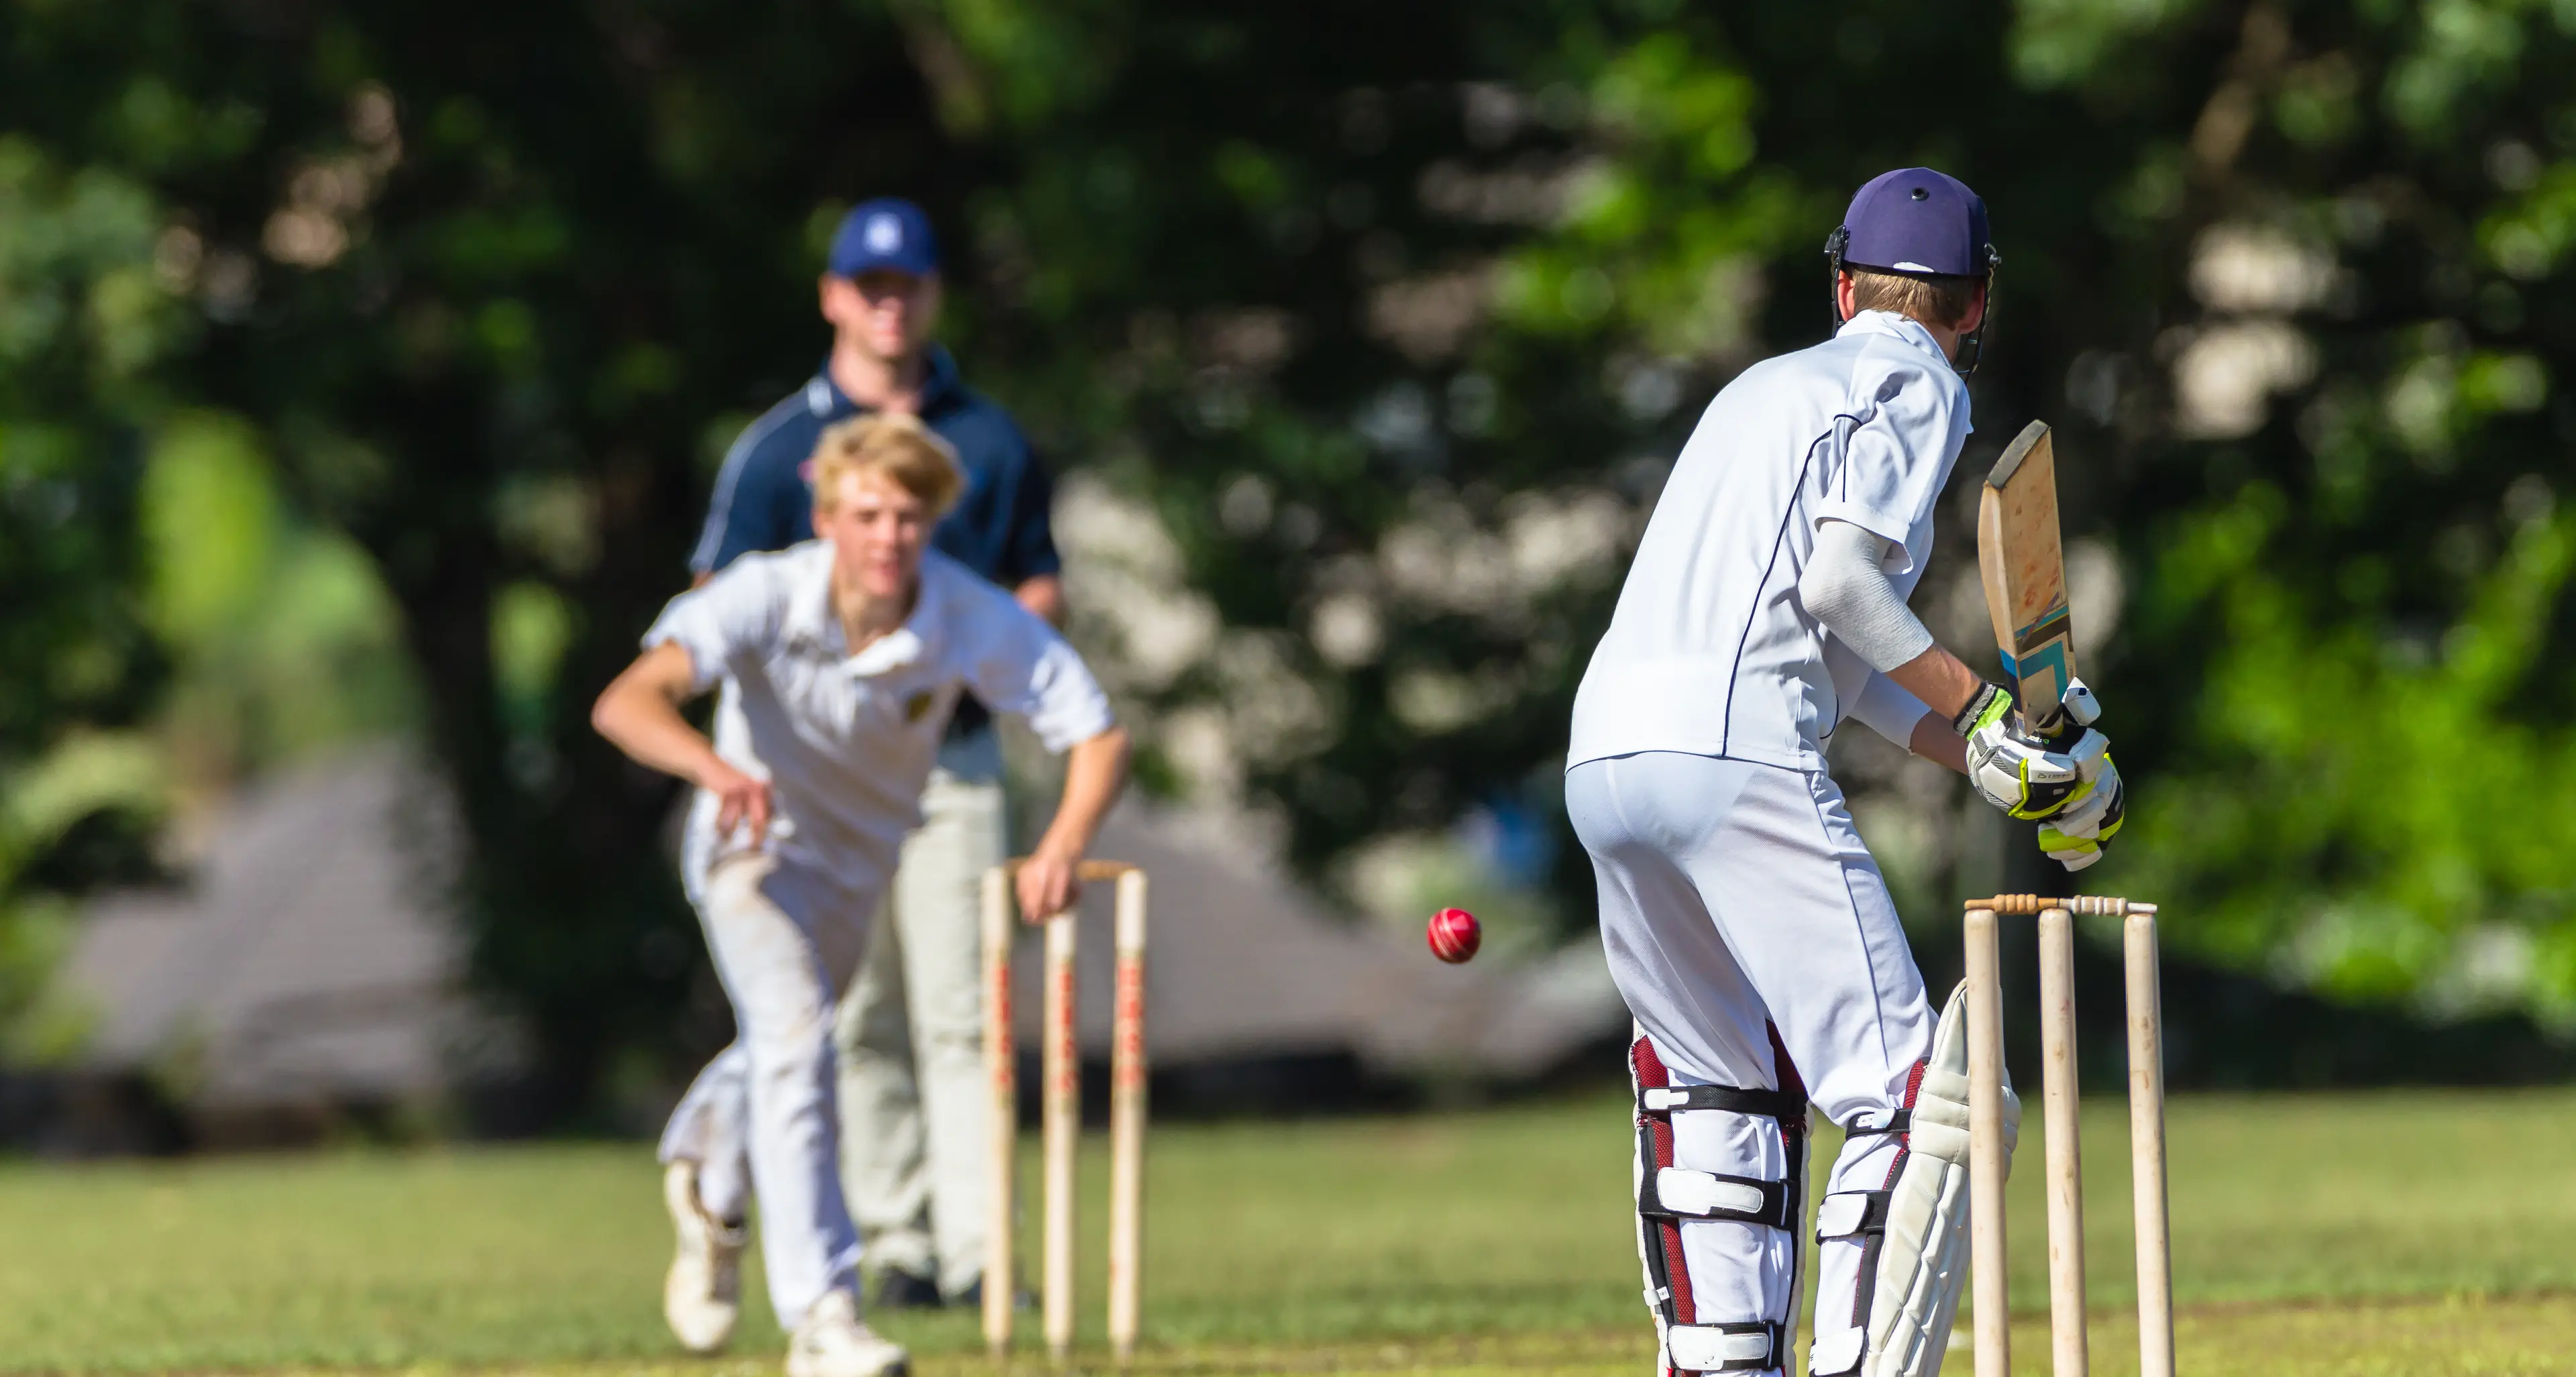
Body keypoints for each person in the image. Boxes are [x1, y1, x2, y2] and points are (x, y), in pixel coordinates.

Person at [1562, 168, 2125, 1377]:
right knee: (1922, 1096)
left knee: (1712, 1090)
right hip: (1736, 750)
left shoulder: (1759, 391)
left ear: (1840, 283)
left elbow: (1841, 655)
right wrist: (1982, 704)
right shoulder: (1915, 380)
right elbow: (1841, 589)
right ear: (1975, 303)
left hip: (1607, 755)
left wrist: (1982, 752)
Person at [596, 415, 1130, 1377]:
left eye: (909, 517)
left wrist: (1061, 845)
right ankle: (823, 1318)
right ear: (829, 518)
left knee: (787, 1043)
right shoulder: (767, 593)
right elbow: (627, 701)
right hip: (751, 853)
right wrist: (717, 774)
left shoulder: (963, 612)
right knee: (800, 1039)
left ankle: (713, 1186)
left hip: (859, 866)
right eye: (869, 515)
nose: (889, 537)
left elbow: (1095, 731)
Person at [687, 197, 1063, 1315]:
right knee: (852, 1016)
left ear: (933, 294)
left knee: (965, 1009)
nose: (888, 307)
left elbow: (1037, 580)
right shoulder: (779, 450)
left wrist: (957, 657)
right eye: (869, 287)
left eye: (907, 286)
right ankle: (895, 1239)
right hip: (816, 780)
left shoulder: (989, 440)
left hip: (948, 764)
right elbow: (715, 600)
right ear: (835, 297)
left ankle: (981, 1250)